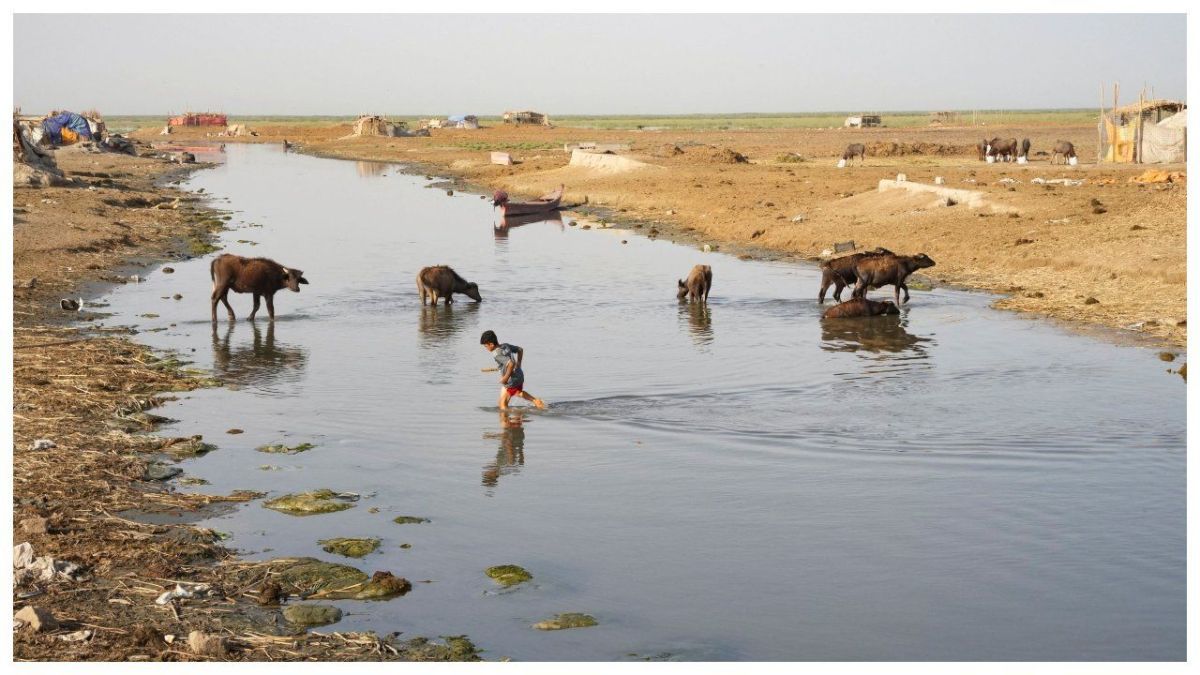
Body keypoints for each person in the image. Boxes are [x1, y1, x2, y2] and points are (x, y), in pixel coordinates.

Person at [480, 330, 546, 410]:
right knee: (517, 393)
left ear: (491, 344)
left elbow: (510, 364)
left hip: (511, 380)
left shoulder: (496, 354)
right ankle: (535, 401)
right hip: (519, 375)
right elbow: (520, 350)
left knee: (503, 405)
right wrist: (519, 364)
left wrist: (505, 378)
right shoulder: (505, 345)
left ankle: (508, 420)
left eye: (486, 346)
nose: (486, 348)